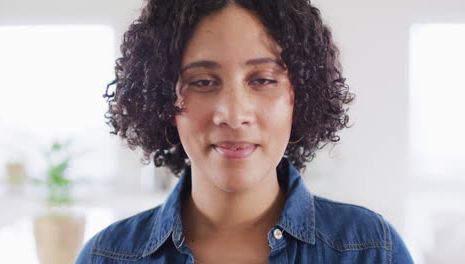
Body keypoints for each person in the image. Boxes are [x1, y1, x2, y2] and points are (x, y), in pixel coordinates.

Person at [76, 0, 414, 263]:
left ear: (300, 95)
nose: (234, 115)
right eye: (203, 82)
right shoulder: (107, 256)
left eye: (263, 80)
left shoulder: (370, 250)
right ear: (163, 97)